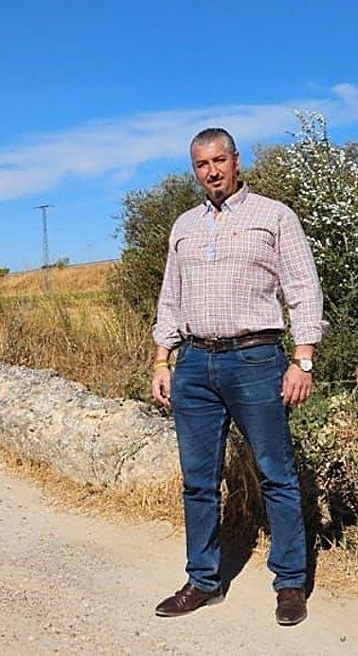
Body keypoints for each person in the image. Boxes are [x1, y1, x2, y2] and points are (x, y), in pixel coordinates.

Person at [151, 127, 325, 627]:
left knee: (277, 473)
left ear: (236, 160)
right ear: (195, 171)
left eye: (219, 160)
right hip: (193, 367)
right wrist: (161, 361)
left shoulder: (273, 217)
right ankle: (202, 580)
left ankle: (290, 582)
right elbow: (170, 299)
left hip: (255, 360)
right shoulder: (183, 226)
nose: (212, 171)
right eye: (202, 165)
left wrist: (303, 359)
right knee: (198, 482)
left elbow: (303, 290)